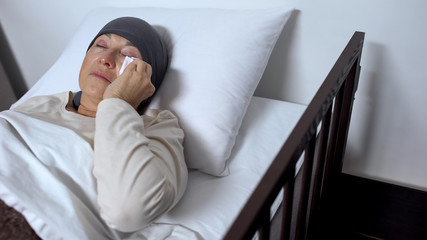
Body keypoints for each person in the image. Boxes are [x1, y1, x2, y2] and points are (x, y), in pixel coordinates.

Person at [0, 17, 188, 237]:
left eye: (129, 56)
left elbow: (129, 210)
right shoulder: (41, 104)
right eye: (100, 45)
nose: (106, 59)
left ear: (146, 81)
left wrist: (119, 101)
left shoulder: (157, 127)